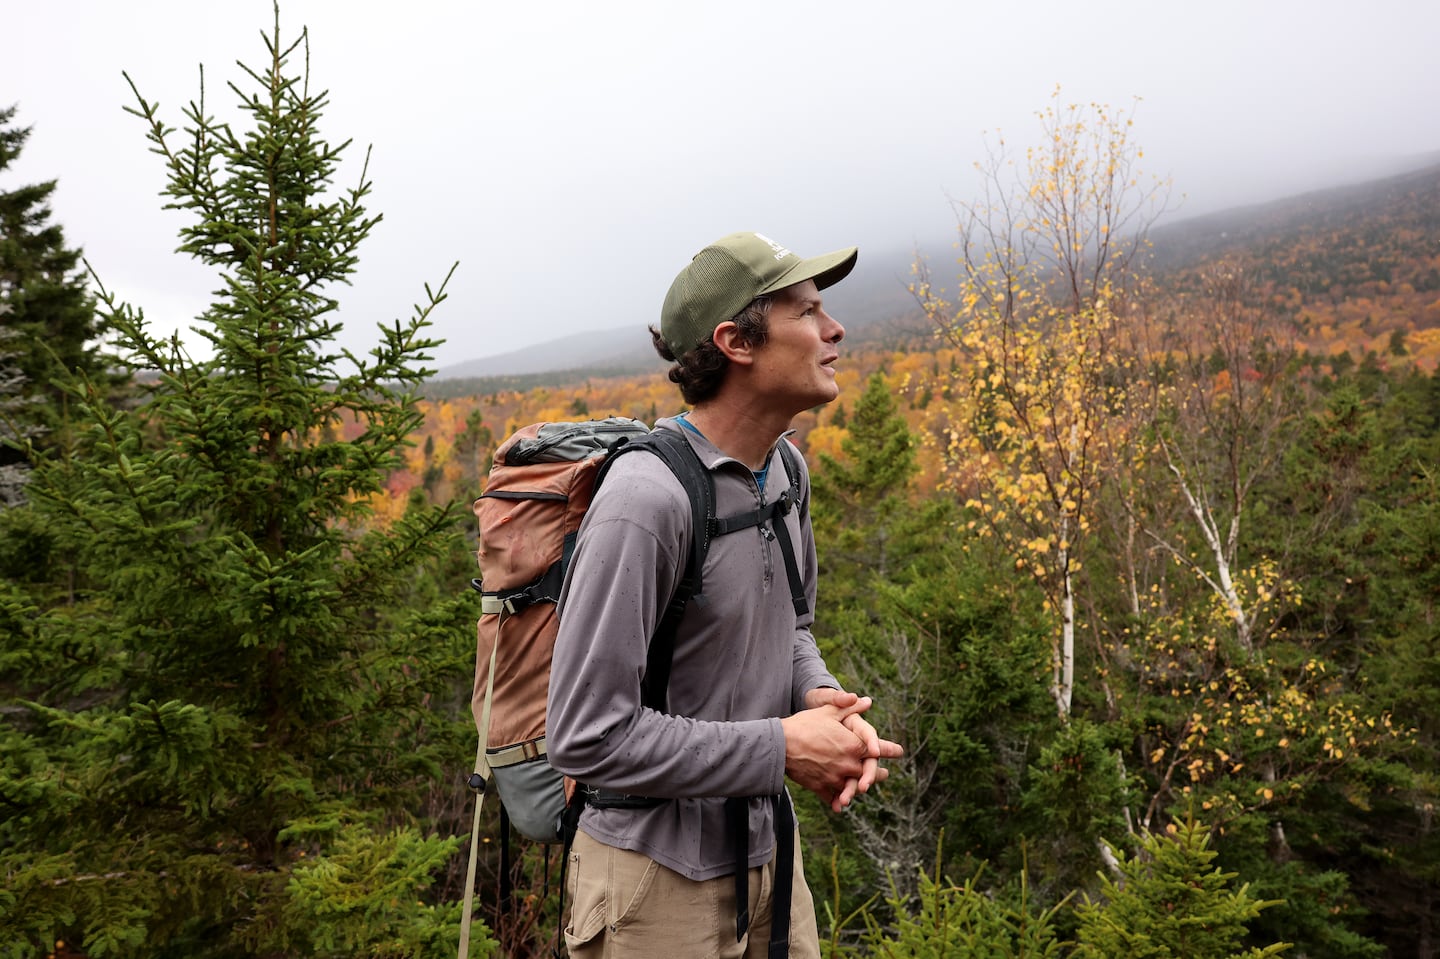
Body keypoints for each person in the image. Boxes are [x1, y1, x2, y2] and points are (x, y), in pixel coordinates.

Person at [547, 231, 904, 959]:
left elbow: (793, 627)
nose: (834, 330)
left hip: (772, 862)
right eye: (807, 312)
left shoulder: (785, 473)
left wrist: (819, 699)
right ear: (736, 342)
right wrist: (778, 747)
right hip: (651, 881)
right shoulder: (646, 499)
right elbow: (584, 734)